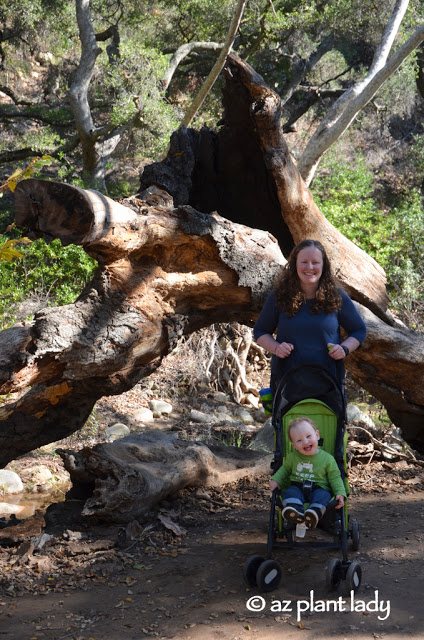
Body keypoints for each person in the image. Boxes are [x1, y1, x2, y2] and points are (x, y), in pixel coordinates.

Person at [253, 239, 366, 396]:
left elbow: (359, 330)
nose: (310, 267)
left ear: (323, 266)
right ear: (294, 265)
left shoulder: (337, 297)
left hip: (328, 384)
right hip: (287, 384)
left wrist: (344, 349)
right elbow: (260, 331)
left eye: (315, 262)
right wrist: (276, 348)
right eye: (304, 262)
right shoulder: (280, 297)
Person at [269, 416, 346, 528]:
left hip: (319, 488)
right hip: (297, 486)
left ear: (317, 435)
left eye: (309, 436)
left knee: (324, 495)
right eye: (299, 440)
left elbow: (335, 477)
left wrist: (340, 492)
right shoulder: (292, 457)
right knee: (290, 492)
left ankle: (313, 513)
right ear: (293, 445)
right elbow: (284, 470)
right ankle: (296, 512)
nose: (305, 442)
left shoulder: (328, 459)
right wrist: (276, 480)